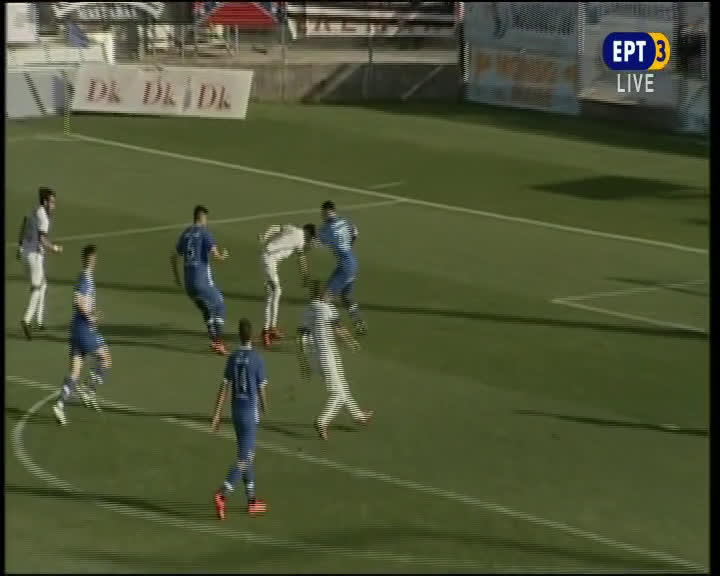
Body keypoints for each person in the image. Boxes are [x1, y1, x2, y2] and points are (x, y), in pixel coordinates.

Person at [297, 280, 373, 440]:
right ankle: (322, 421)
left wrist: (304, 362)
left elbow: (302, 337)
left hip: (314, 358)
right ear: (322, 294)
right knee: (338, 394)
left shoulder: (308, 310)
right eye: (328, 292)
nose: (330, 294)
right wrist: (351, 342)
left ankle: (358, 415)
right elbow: (338, 328)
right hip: (327, 355)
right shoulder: (326, 308)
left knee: (342, 385)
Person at [212, 318, 268, 519]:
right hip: (249, 414)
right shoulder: (257, 358)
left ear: (239, 335)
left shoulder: (233, 357)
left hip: (235, 412)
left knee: (246, 454)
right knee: (245, 458)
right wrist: (265, 405)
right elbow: (261, 388)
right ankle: (223, 493)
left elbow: (224, 386)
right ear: (252, 336)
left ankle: (252, 500)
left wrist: (217, 413)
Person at [52, 244, 111, 425]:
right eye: (93, 258)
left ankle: (60, 405)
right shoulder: (85, 279)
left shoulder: (83, 277)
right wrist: (91, 316)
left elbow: (80, 301)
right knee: (106, 360)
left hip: (76, 329)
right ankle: (88, 389)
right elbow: (78, 302)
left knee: (75, 372)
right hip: (85, 328)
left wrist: (91, 313)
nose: (94, 261)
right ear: (91, 259)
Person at [172, 205, 230, 355]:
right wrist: (223, 256)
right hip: (202, 280)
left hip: (189, 284)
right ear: (202, 217)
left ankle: (214, 340)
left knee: (207, 309)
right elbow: (216, 256)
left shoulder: (185, 233)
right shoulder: (205, 233)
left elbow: (173, 256)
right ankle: (218, 342)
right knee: (220, 304)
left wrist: (177, 278)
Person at [258, 222, 316, 347]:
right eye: (311, 237)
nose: (310, 240)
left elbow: (275, 227)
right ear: (308, 233)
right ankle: (268, 330)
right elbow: (301, 258)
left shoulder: (292, 228)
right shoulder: (301, 239)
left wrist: (265, 236)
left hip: (269, 260)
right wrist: (305, 276)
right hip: (268, 260)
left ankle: (270, 328)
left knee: (273, 294)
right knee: (275, 292)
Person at [18, 187, 63, 339]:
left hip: (25, 253)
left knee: (42, 285)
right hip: (35, 256)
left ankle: (39, 320)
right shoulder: (44, 218)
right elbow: (43, 239)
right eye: (52, 202)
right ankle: (27, 320)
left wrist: (20, 245)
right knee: (37, 288)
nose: (54, 206)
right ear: (45, 202)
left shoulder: (33, 210)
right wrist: (55, 249)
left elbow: (23, 224)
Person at [318, 200, 367, 335]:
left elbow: (318, 242)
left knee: (324, 299)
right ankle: (359, 322)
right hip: (352, 263)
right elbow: (355, 232)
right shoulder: (346, 221)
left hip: (345, 266)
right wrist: (348, 245)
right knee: (345, 296)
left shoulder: (326, 229)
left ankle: (338, 328)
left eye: (323, 213)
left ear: (324, 213)